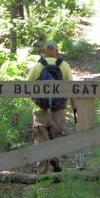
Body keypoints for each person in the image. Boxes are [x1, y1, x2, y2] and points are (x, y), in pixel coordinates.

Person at [27, 40, 77, 174]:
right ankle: (55, 160)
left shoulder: (37, 66)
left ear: (43, 52)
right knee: (56, 134)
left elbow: (27, 87)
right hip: (59, 107)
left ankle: (42, 171)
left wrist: (36, 99)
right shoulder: (64, 66)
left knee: (41, 138)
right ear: (56, 51)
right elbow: (72, 88)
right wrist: (74, 108)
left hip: (40, 108)